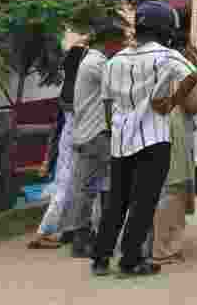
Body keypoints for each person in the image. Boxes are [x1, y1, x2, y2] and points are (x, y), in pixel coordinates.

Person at [91, 1, 197, 277]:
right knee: (143, 201)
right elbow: (193, 75)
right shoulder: (165, 55)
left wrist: (114, 130)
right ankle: (130, 259)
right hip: (153, 139)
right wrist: (173, 101)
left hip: (120, 140)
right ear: (164, 28)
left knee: (116, 200)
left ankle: (101, 258)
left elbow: (107, 104)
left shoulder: (114, 60)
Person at [67, 21, 126, 259]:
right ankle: (83, 237)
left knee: (95, 187)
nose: (122, 48)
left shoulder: (94, 62)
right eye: (120, 43)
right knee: (91, 189)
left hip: (91, 134)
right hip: (95, 135)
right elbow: (121, 88)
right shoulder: (97, 64)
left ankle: (90, 235)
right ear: (110, 42)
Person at [150, 43, 197, 265]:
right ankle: (165, 249)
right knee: (174, 190)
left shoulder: (153, 67)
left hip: (150, 131)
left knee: (156, 189)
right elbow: (193, 105)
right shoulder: (184, 72)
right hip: (176, 129)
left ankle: (150, 244)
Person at [28, 47, 84, 250]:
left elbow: (57, 126)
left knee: (66, 185)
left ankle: (60, 230)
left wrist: (48, 158)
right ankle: (44, 232)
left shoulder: (67, 88)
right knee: (66, 187)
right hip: (75, 140)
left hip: (65, 142)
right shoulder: (80, 87)